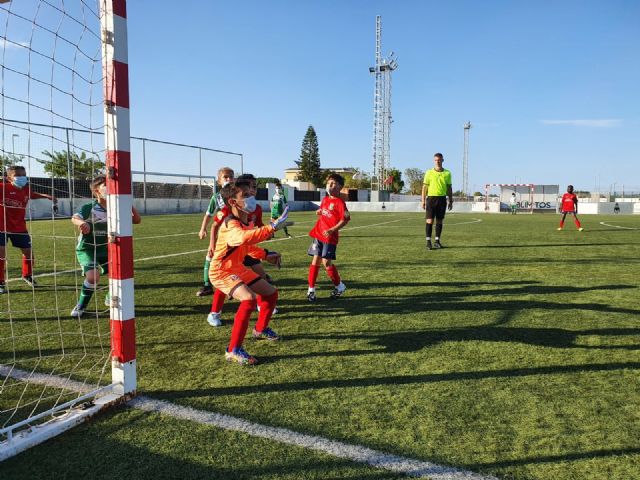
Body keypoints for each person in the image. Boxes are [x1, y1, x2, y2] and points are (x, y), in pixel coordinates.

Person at [209, 179, 290, 365]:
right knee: (248, 299)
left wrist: (266, 254)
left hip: (237, 268)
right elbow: (241, 238)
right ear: (232, 202)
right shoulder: (230, 224)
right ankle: (233, 349)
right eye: (245, 195)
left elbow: (247, 246)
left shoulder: (246, 221)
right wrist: (271, 228)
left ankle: (260, 329)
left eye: (251, 194)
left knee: (270, 293)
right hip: (221, 271)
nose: (251, 197)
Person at [206, 173, 276, 327]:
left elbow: (253, 228)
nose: (252, 191)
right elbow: (225, 229)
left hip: (246, 247)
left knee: (261, 276)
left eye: (254, 187)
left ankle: (262, 307)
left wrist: (265, 244)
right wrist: (212, 244)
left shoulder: (255, 208)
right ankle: (215, 312)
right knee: (226, 285)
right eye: (248, 188)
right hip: (230, 249)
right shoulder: (229, 210)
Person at [70, 176, 141, 317]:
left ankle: (110, 296)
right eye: (106, 185)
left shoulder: (117, 208)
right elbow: (74, 217)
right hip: (88, 249)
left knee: (118, 273)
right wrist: (81, 224)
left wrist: (128, 204)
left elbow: (137, 220)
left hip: (107, 248)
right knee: (93, 277)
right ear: (97, 191)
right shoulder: (89, 207)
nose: (111, 187)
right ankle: (81, 306)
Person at [0, 165, 57, 294]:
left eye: (23, 175)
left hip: (19, 226)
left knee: (28, 253)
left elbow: (32, 195)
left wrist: (45, 195)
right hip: (1, 227)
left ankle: (27, 275)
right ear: (8, 178)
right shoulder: (2, 188)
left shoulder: (25, 189)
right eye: (18, 175)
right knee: (1, 255)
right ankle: (1, 282)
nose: (22, 177)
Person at [306, 173, 350, 302]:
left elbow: (345, 219)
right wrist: (319, 212)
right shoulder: (325, 199)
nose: (329, 186)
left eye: (333, 184)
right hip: (318, 234)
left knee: (326, 263)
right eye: (328, 183)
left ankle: (339, 286)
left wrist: (332, 230)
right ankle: (311, 290)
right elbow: (324, 211)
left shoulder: (340, 203)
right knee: (315, 261)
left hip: (330, 238)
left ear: (339, 187)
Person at [196, 166, 234, 297]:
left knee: (236, 259)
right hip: (221, 233)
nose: (229, 179)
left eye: (231, 176)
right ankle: (207, 285)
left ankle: (233, 285)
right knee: (210, 255)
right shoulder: (217, 197)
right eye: (225, 177)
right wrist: (202, 229)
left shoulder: (239, 194)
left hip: (236, 233)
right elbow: (209, 214)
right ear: (219, 181)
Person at [421, 153, 453, 249]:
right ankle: (428, 242)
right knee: (429, 220)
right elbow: (424, 187)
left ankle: (437, 241)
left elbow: (449, 188)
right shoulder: (429, 172)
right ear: (433, 161)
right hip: (431, 199)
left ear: (442, 160)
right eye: (435, 160)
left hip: (442, 199)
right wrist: (423, 200)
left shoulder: (447, 173)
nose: (437, 161)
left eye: (439, 160)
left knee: (439, 221)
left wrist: (450, 200)